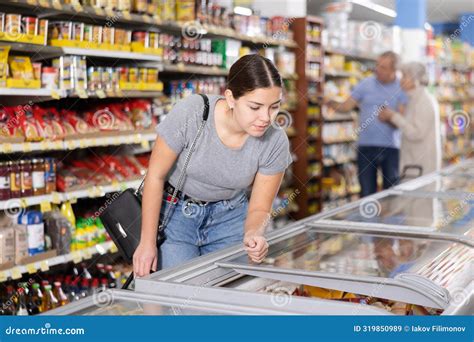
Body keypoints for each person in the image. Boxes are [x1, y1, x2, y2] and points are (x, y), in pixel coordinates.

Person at [133, 54, 293, 277]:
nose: (266, 118)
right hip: (175, 217)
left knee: (224, 296)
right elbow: (155, 176)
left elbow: (259, 208)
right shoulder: (193, 113)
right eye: (255, 107)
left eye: (274, 107)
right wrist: (147, 243)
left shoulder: (275, 141)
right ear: (230, 98)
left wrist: (254, 234)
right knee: (179, 299)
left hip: (230, 219)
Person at [327, 51, 408, 197]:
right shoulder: (366, 83)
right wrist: (328, 101)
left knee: (392, 193)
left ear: (394, 70)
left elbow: (404, 122)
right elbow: (346, 106)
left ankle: (390, 220)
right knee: (366, 193)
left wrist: (391, 117)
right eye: (377, 65)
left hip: (390, 148)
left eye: (383, 67)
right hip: (365, 147)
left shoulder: (402, 88)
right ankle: (367, 220)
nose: (377, 69)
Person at [378, 62, 442, 176]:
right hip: (413, 166)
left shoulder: (424, 101)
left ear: (415, 79)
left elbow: (416, 133)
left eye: (404, 76)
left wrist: (393, 116)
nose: (401, 80)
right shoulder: (413, 99)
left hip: (421, 167)